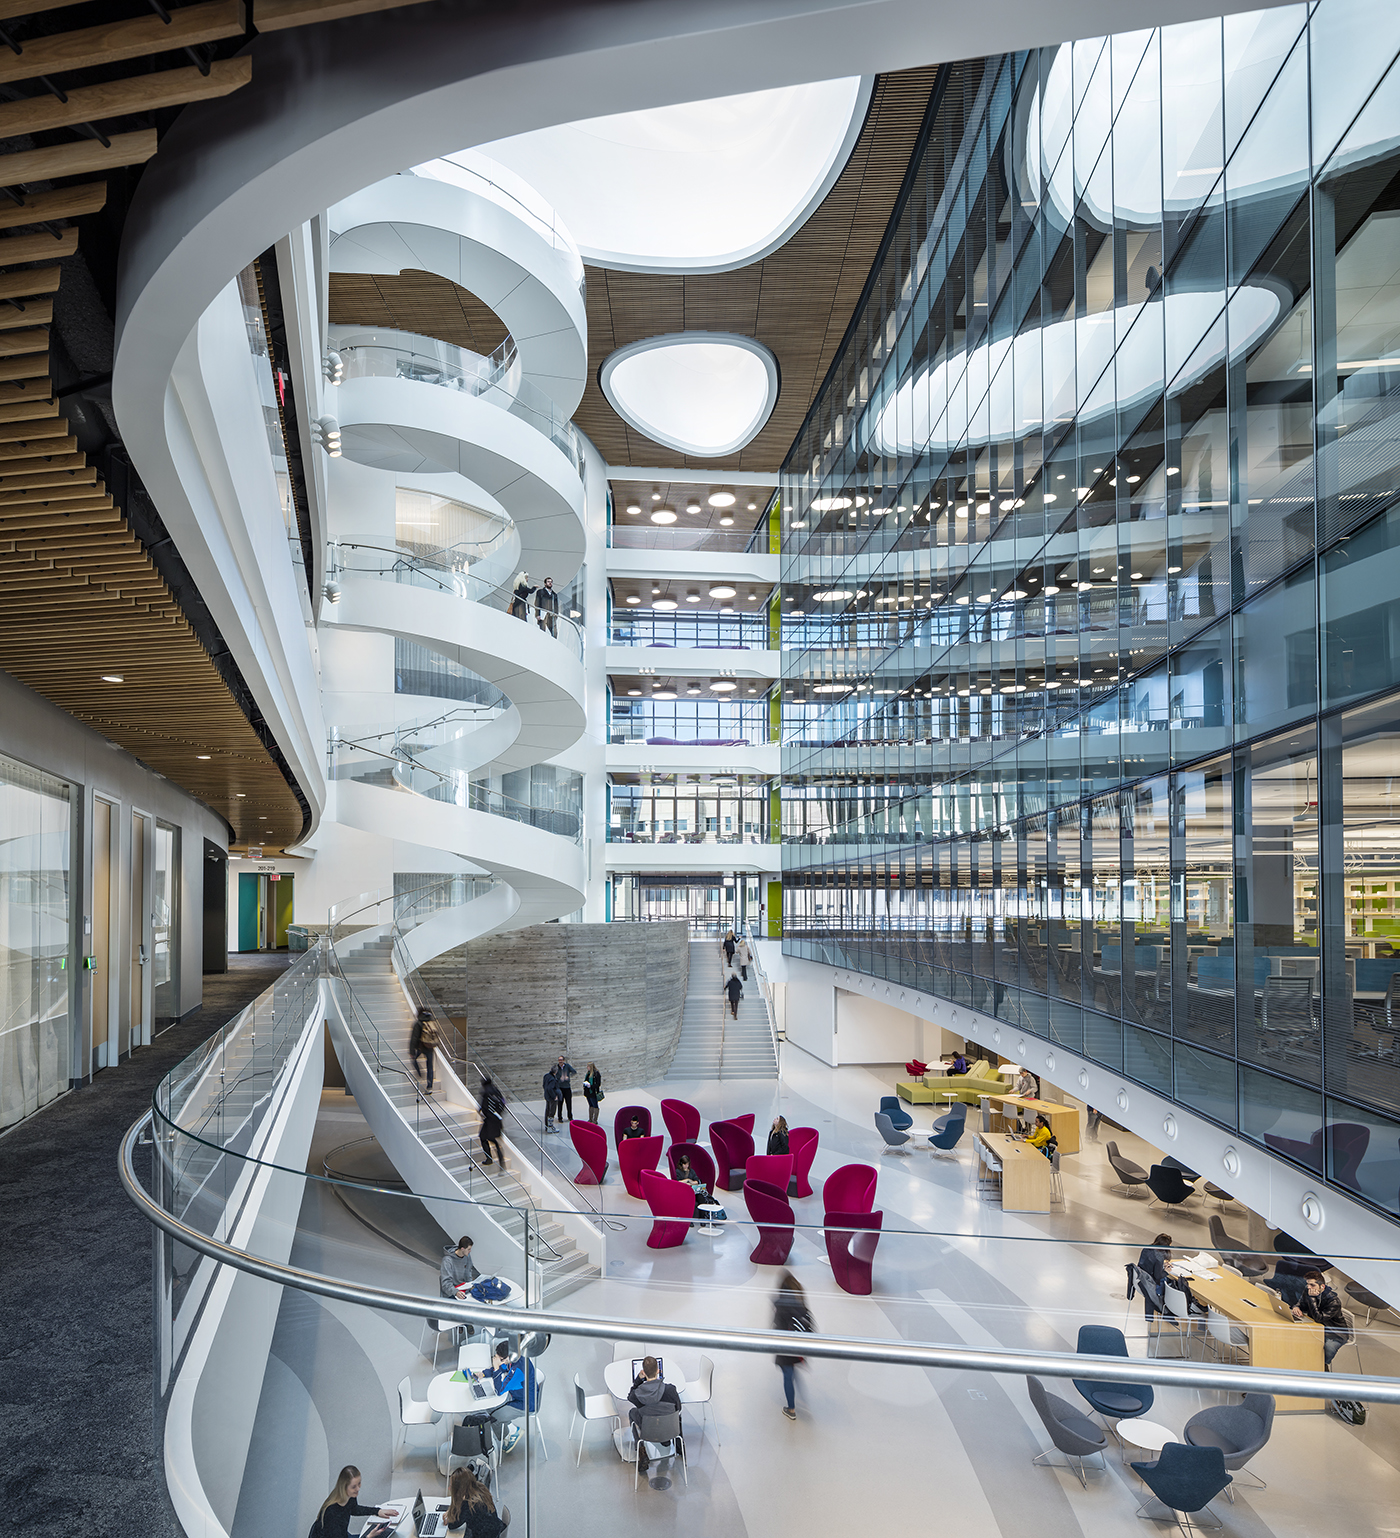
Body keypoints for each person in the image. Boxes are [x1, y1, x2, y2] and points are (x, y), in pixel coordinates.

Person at [627, 1354, 682, 1476]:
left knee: (632, 1412)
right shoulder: (670, 1390)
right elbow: (678, 1409)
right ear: (658, 1370)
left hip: (648, 1430)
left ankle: (641, 1451)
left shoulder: (638, 1393)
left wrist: (637, 1381)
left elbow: (629, 1397)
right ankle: (667, 1440)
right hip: (669, 1429)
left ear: (643, 1373)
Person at [772, 1270, 814, 1422]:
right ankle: (803, 1399)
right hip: (798, 1347)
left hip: (785, 1347)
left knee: (787, 1376)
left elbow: (777, 1326)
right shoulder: (799, 1298)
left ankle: (791, 1409)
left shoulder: (781, 1302)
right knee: (792, 1373)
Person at [313, 1466, 397, 1538]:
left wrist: (378, 1511)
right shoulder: (331, 1513)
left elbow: (353, 1509)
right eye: (353, 1487)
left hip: (341, 1534)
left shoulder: (349, 1495)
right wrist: (368, 1537)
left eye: (359, 1484)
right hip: (336, 1535)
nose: (358, 1489)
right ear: (344, 1487)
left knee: (383, 1534)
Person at [1293, 1269, 1352, 1366]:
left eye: (1312, 1285)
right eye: (1308, 1284)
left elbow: (1319, 1318)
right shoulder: (1308, 1290)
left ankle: (1323, 1366)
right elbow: (1301, 1303)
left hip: (1334, 1333)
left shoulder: (1333, 1301)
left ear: (1322, 1286)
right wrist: (1296, 1307)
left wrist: (1312, 1299)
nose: (1309, 1287)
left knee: (1327, 1351)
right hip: (1317, 1326)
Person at [444, 1465, 508, 1537]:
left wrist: (451, 1511)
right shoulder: (480, 1488)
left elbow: (452, 1526)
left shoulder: (468, 1505)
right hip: (496, 1529)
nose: (449, 1488)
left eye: (451, 1486)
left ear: (459, 1489)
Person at [1136, 1233, 1173, 1318]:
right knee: (1170, 1282)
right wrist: (1166, 1271)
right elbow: (1158, 1276)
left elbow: (1149, 1264)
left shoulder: (1147, 1249)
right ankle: (1167, 1309)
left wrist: (1161, 1266)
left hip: (1142, 1278)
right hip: (1150, 1282)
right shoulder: (1159, 1255)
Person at [410, 1004, 439, 1093]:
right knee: (430, 1067)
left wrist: (411, 1050)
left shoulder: (418, 1023)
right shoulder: (431, 1022)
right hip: (430, 1047)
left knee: (414, 1059)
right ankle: (429, 1087)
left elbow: (414, 1038)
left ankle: (420, 1074)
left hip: (421, 1047)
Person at [478, 1076, 505, 1169]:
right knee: (495, 1142)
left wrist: (481, 1112)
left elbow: (484, 1108)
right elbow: (503, 1102)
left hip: (489, 1121)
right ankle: (502, 1163)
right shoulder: (496, 1090)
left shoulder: (485, 1093)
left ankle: (489, 1159)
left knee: (483, 1137)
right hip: (497, 1120)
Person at [440, 1235, 479, 1300]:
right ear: (462, 1249)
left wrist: (471, 1285)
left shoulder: (467, 1256)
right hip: (451, 1293)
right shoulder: (447, 1261)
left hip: (463, 1289)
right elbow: (445, 1283)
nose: (470, 1251)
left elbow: (468, 1272)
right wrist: (456, 1292)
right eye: (468, 1249)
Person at [554, 1054, 577, 1121]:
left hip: (567, 1087)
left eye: (561, 1060)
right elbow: (553, 1074)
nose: (560, 1061)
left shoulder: (567, 1066)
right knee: (560, 1103)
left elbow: (574, 1072)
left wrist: (568, 1076)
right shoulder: (556, 1067)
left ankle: (570, 1116)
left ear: (563, 1060)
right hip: (560, 1088)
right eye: (559, 1060)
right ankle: (560, 1117)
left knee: (569, 1103)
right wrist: (558, 1079)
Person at [542, 1062, 561, 1132]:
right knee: (551, 1112)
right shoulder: (553, 1079)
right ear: (556, 1071)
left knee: (547, 1110)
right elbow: (550, 1088)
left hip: (547, 1096)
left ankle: (547, 1126)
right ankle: (550, 1126)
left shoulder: (546, 1076)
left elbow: (544, 1085)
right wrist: (554, 1096)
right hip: (551, 1097)